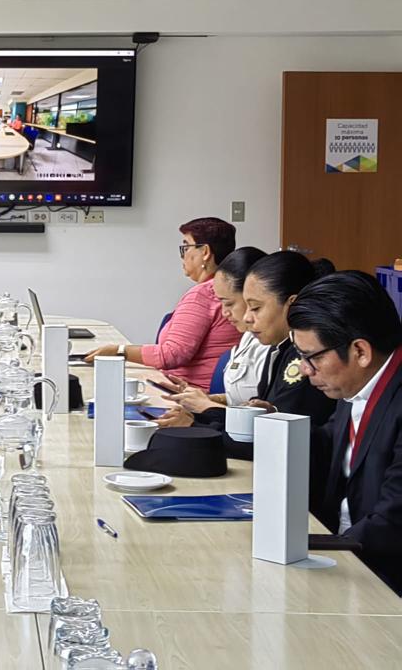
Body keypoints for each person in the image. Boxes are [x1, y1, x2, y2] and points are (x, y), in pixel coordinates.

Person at [288, 271, 402, 595]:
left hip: (382, 581)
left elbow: (393, 520)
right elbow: (326, 443)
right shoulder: (357, 383)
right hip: (349, 556)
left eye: (312, 357)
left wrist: (308, 547)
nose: (305, 370)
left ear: (360, 351)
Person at [86, 217, 241, 389]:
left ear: (205, 252)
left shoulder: (203, 294)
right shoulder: (227, 291)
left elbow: (172, 354)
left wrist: (119, 351)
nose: (182, 256)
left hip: (187, 393)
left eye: (185, 248)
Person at [154, 246, 268, 426]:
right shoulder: (249, 337)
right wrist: (201, 398)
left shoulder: (274, 345)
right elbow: (241, 399)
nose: (224, 313)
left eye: (229, 303)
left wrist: (205, 407)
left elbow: (263, 420)